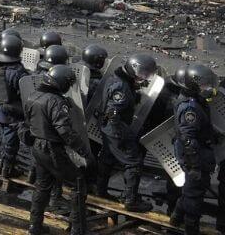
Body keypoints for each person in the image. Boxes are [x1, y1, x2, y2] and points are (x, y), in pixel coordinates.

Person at [24, 65, 92, 235]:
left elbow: (29, 121)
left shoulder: (33, 96)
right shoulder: (56, 101)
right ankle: (78, 229)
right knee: (78, 182)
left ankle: (35, 226)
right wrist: (84, 151)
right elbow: (65, 131)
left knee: (42, 186)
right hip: (52, 148)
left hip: (37, 147)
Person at [96, 53, 157, 212]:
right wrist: (119, 134)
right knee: (133, 162)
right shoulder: (121, 87)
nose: (144, 77)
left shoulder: (119, 79)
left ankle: (100, 190)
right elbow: (113, 111)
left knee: (107, 157)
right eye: (142, 74)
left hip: (108, 126)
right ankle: (131, 200)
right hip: (115, 127)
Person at [168, 64, 217, 234]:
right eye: (204, 85)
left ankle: (175, 218)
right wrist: (195, 165)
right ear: (194, 84)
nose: (208, 88)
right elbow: (188, 139)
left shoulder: (196, 100)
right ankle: (191, 226)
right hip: (193, 155)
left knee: (191, 190)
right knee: (194, 194)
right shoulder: (190, 107)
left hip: (197, 152)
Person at [0, 30, 29, 177]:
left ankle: (1, 165)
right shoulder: (17, 72)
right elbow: (25, 91)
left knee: (4, 137)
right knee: (11, 142)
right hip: (12, 112)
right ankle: (7, 169)